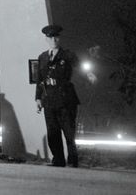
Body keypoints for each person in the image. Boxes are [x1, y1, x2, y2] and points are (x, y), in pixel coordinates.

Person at [34, 24, 80, 167]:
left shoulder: (68, 55)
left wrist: (89, 72)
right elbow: (40, 80)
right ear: (46, 39)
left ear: (59, 38)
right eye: (50, 37)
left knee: (68, 132)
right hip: (49, 100)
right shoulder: (42, 57)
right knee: (52, 132)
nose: (54, 39)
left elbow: (80, 66)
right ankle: (58, 159)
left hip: (65, 99)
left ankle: (72, 159)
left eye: (56, 37)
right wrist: (37, 98)